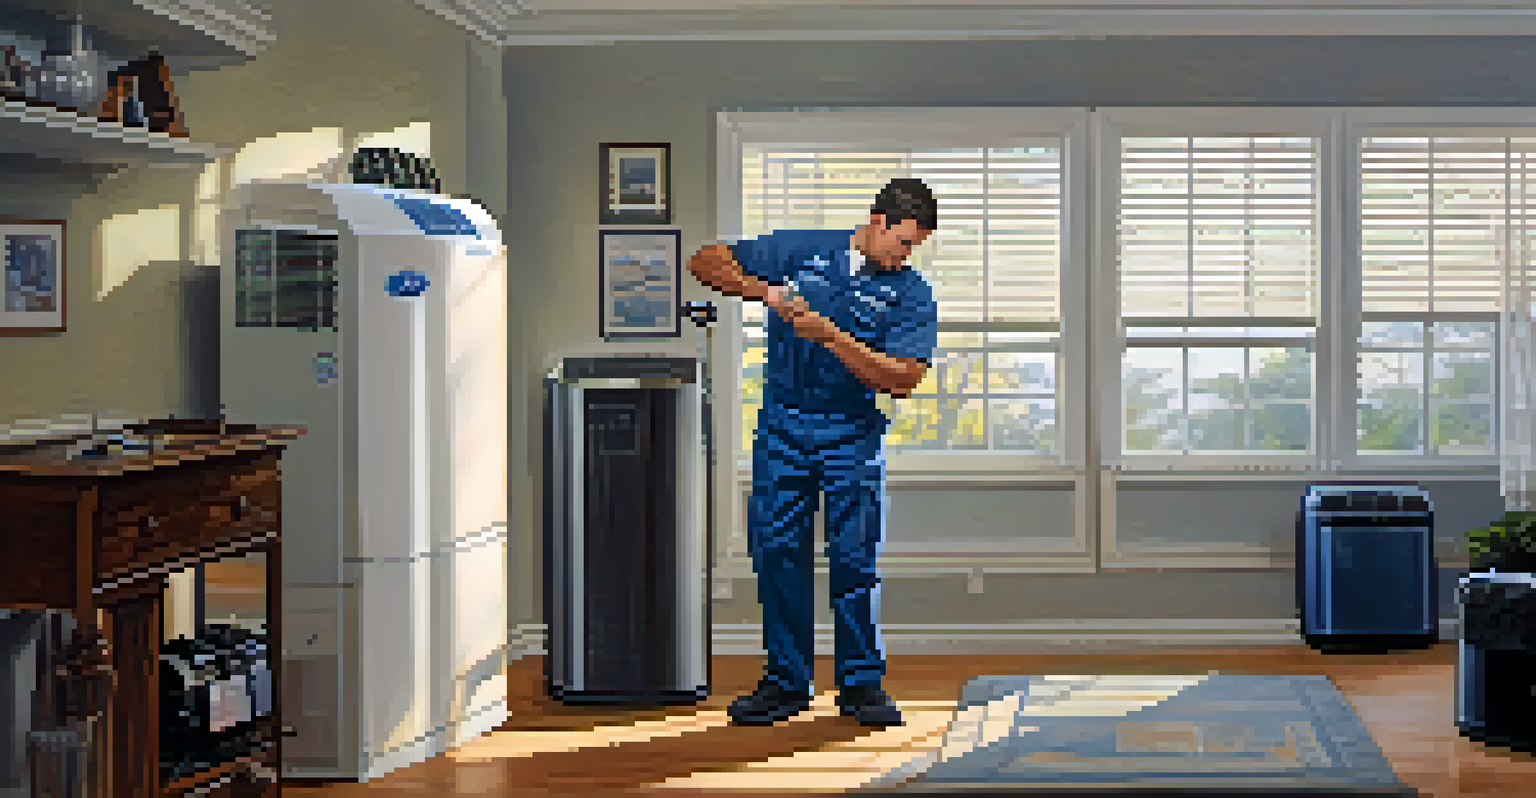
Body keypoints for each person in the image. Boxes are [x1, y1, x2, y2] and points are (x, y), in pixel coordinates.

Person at [688, 178, 939, 728]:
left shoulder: (911, 292)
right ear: (875, 223)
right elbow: (704, 262)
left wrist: (833, 338)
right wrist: (766, 293)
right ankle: (785, 683)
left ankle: (861, 686)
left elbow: (901, 379)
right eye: (901, 241)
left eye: (914, 246)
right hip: (782, 431)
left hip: (852, 434)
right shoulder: (803, 249)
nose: (905, 254)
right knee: (777, 557)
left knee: (854, 562)